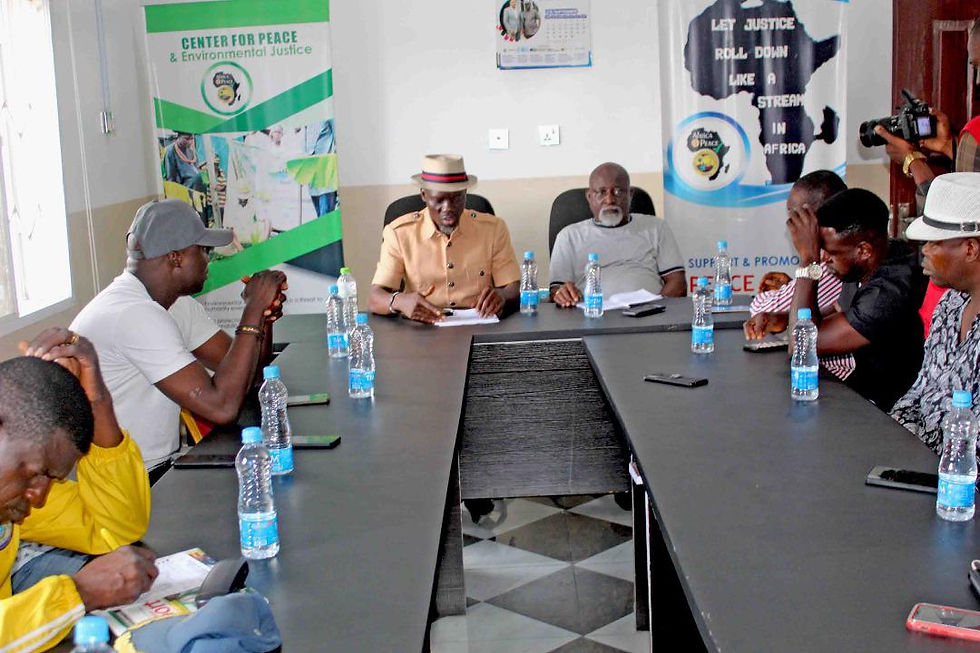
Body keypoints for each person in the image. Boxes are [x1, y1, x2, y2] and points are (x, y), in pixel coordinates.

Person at [71, 199, 287, 479]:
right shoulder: (133, 314)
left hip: (157, 468)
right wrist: (253, 309)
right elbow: (222, 407)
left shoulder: (174, 304)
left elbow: (249, 376)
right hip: (126, 482)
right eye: (203, 250)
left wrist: (263, 317)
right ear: (176, 258)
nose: (209, 259)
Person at [1, 328, 156, 651]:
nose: (39, 497)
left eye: (50, 478)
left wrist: (96, 401)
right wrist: (79, 594)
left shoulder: (14, 495)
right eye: (35, 474)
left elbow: (113, 527)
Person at [745, 188, 927, 411]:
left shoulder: (886, 293)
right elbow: (838, 310)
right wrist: (782, 318)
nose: (823, 259)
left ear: (863, 250)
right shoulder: (872, 260)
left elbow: (802, 346)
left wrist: (808, 262)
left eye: (829, 252)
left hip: (884, 413)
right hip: (858, 397)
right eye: (820, 251)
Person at [369, 154, 521, 324]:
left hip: (479, 324)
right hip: (422, 327)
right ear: (424, 195)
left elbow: (513, 287)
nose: (448, 208)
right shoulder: (399, 233)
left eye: (456, 199)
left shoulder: (493, 229)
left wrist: (503, 296)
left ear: (465, 193)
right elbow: (375, 298)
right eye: (439, 200)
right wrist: (399, 301)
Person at [891, 173, 980, 452]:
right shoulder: (950, 304)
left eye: (934, 243)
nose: (925, 251)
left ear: (970, 249)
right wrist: (890, 438)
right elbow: (920, 392)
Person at [550, 162, 686, 306]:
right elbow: (556, 290)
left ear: (630, 195)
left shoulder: (656, 228)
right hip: (593, 313)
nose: (610, 200)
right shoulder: (569, 236)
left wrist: (655, 308)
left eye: (618, 192)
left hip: (649, 312)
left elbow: (677, 283)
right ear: (589, 197)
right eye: (602, 192)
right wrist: (561, 294)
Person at [874, 18, 980, 203]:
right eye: (976, 67)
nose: (978, 80)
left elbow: (956, 214)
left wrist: (913, 160)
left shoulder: (976, 132)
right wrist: (950, 147)